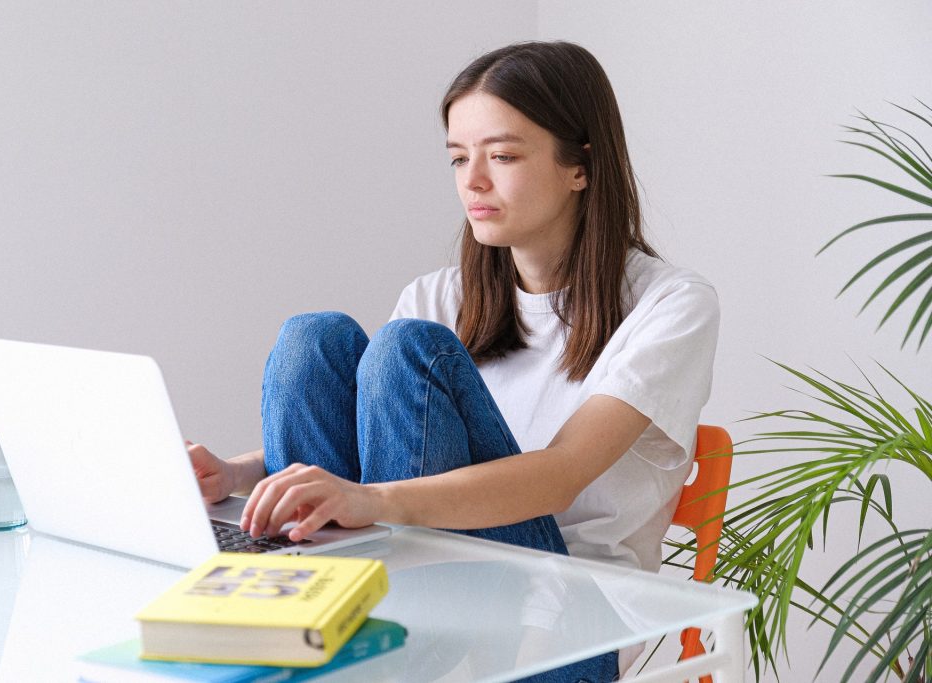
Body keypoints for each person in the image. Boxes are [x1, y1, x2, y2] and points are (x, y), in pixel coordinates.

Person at [187, 40, 719, 682]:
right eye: (459, 158)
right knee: (313, 339)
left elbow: (559, 475)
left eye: (502, 155)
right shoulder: (442, 296)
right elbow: (356, 458)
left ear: (581, 165)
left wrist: (373, 501)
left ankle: (370, 648)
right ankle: (321, 615)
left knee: (406, 350)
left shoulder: (670, 304)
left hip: (564, 621)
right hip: (425, 592)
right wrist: (237, 473)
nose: (474, 181)